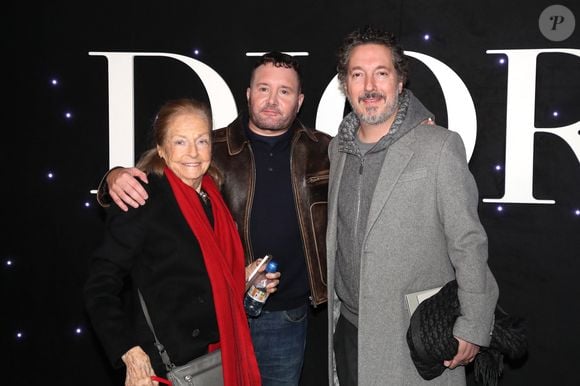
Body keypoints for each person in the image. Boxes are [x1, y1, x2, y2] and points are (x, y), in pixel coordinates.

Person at [96, 52, 331, 386]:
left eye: (285, 91)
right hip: (213, 321)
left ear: (300, 100)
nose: (272, 100)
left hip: (285, 316)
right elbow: (145, 180)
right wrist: (114, 177)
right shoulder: (211, 148)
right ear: (248, 94)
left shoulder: (325, 150)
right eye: (264, 88)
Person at [326, 26, 499, 385]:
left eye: (381, 73)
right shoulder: (337, 150)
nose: (369, 86)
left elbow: (468, 242)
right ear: (346, 85)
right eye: (358, 75)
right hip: (348, 331)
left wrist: (474, 323)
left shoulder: (439, 147)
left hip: (412, 336)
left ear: (400, 81)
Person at [84, 98, 280, 386]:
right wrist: (127, 350)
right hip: (168, 363)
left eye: (202, 141)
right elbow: (99, 286)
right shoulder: (142, 198)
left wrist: (243, 278)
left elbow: (202, 274)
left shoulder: (212, 194)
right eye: (180, 142)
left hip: (219, 355)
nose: (193, 153)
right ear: (161, 149)